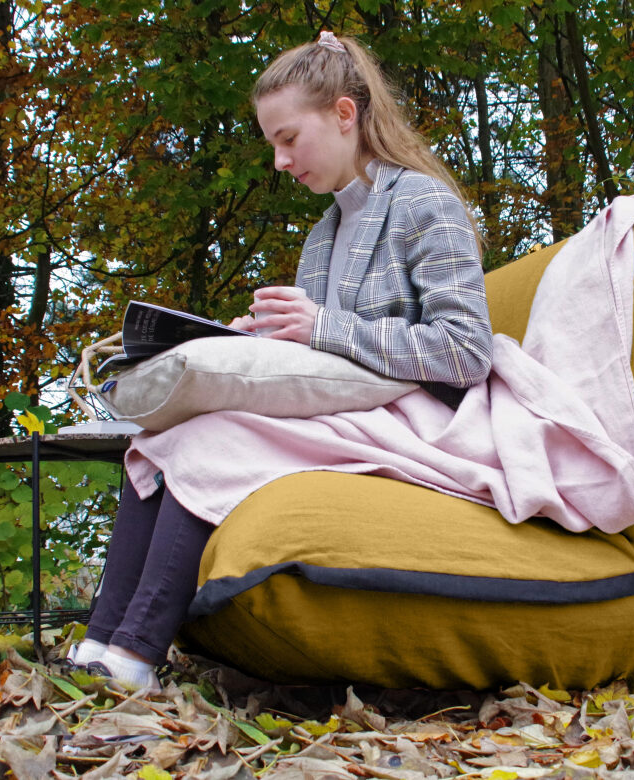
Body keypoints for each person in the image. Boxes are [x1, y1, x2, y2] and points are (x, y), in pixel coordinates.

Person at [65, 31, 493, 692]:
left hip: (414, 420)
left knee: (214, 433)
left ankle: (136, 653)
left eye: (288, 138)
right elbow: (316, 357)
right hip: (340, 411)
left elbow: (465, 352)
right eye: (272, 143)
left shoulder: (423, 203)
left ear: (344, 115)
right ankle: (100, 642)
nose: (279, 161)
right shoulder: (323, 235)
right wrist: (259, 339)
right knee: (160, 436)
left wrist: (322, 325)